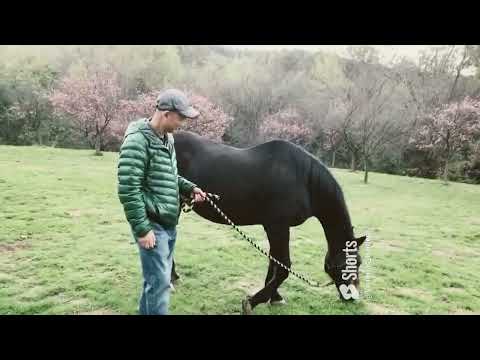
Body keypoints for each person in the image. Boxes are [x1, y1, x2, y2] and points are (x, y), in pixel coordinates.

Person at [117, 89, 207, 315]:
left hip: (168, 225)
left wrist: (189, 187)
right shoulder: (138, 140)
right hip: (152, 225)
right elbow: (129, 188)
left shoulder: (167, 139)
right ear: (166, 113)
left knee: (154, 285)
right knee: (160, 286)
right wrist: (142, 228)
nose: (183, 123)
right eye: (181, 117)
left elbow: (169, 175)